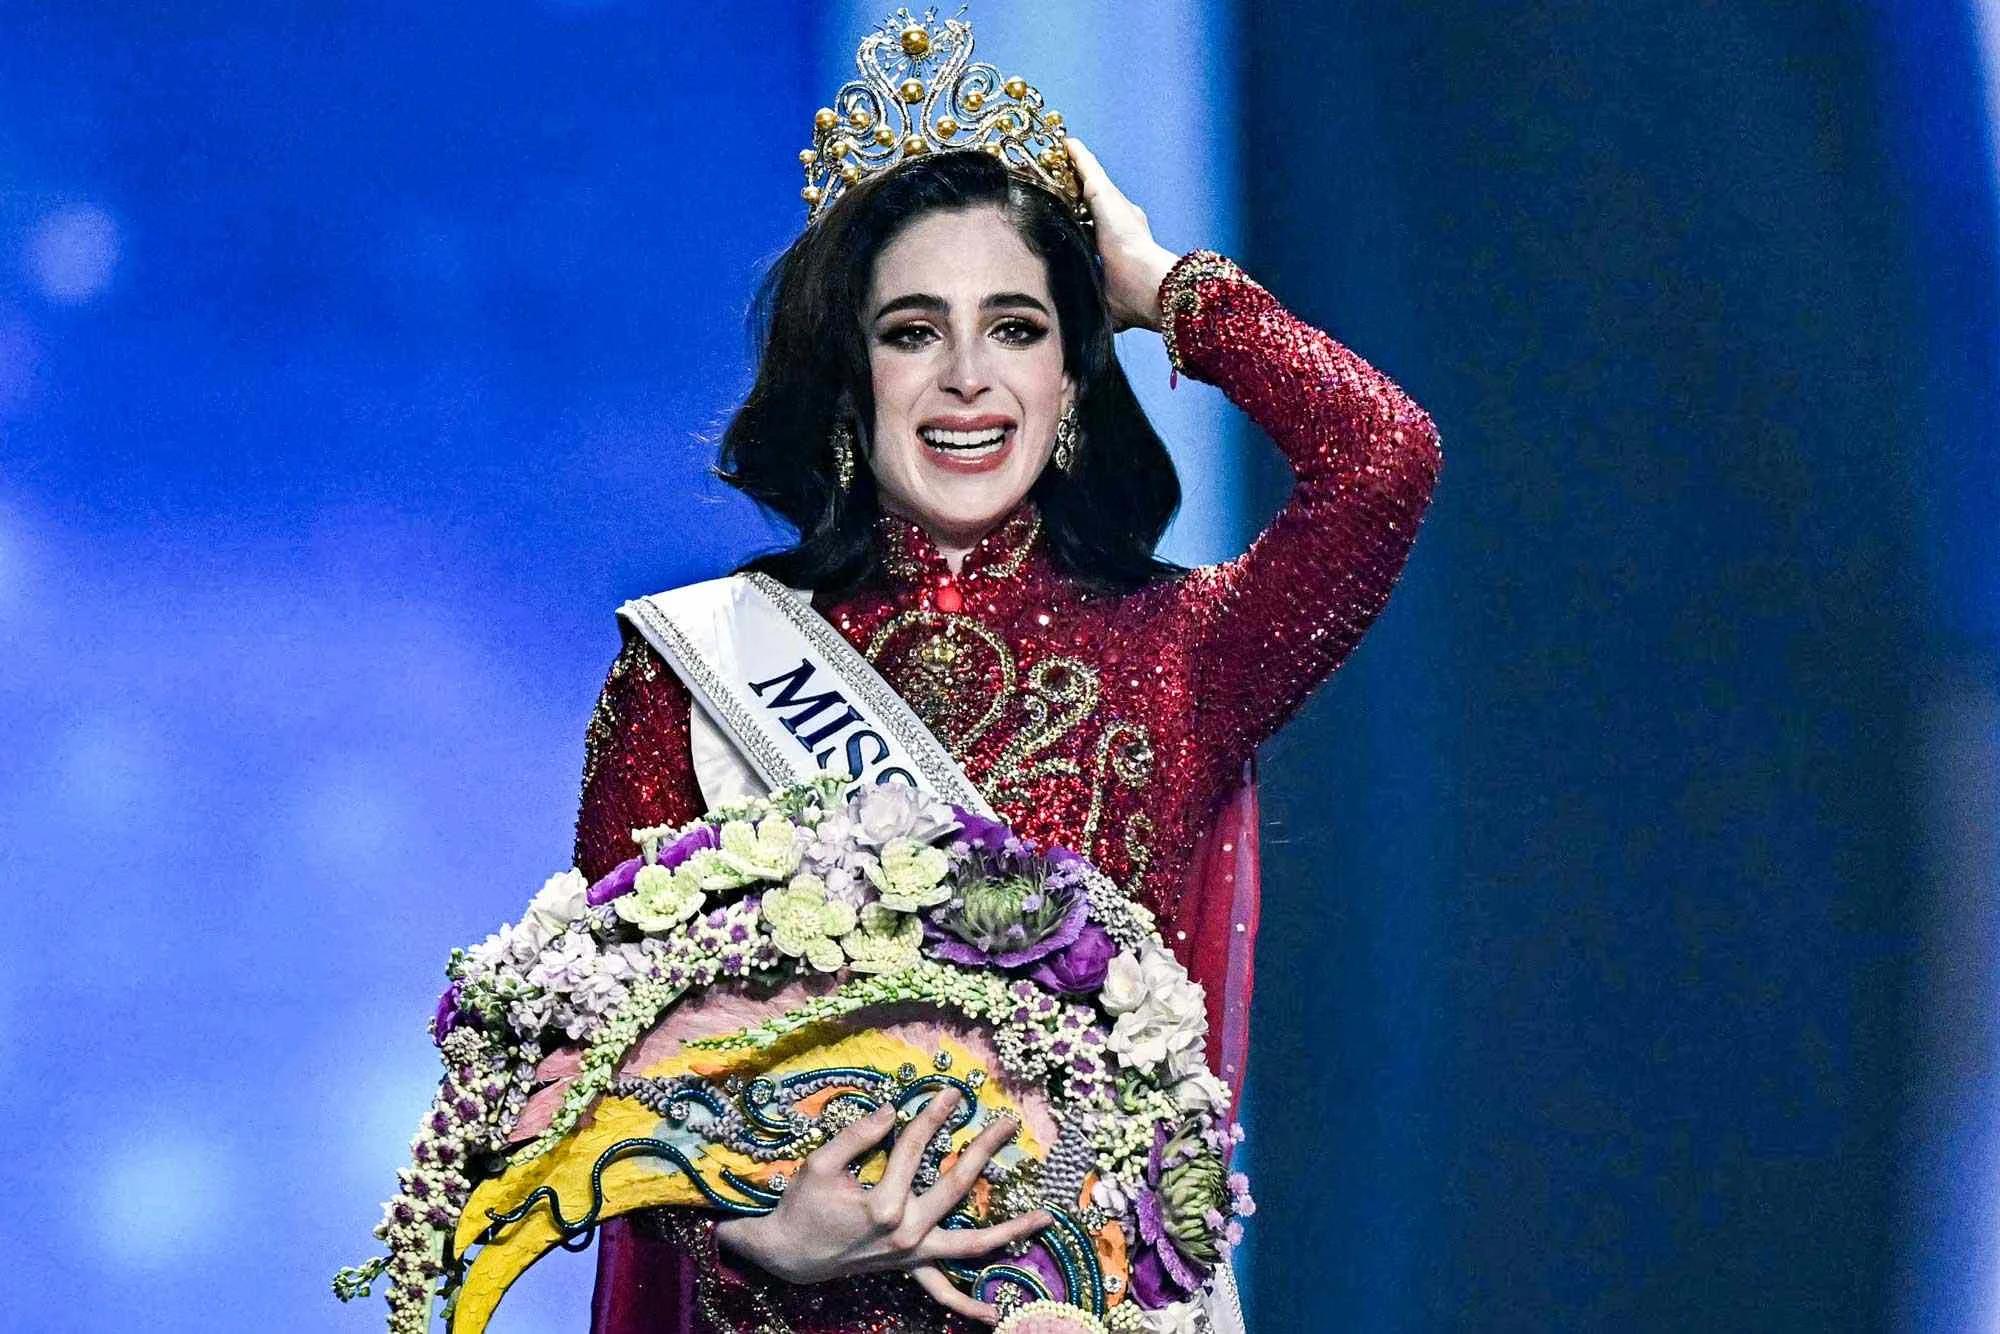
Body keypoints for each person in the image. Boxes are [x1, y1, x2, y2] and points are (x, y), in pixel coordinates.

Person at [570, 108, 1441, 1334]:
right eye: (912, 331)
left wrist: (1163, 287)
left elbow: (1382, 457)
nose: (967, 376)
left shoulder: (1185, 649)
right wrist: (753, 1220)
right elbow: (605, 1044)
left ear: (1070, 379)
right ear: (845, 375)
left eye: (1017, 328)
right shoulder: (693, 665)